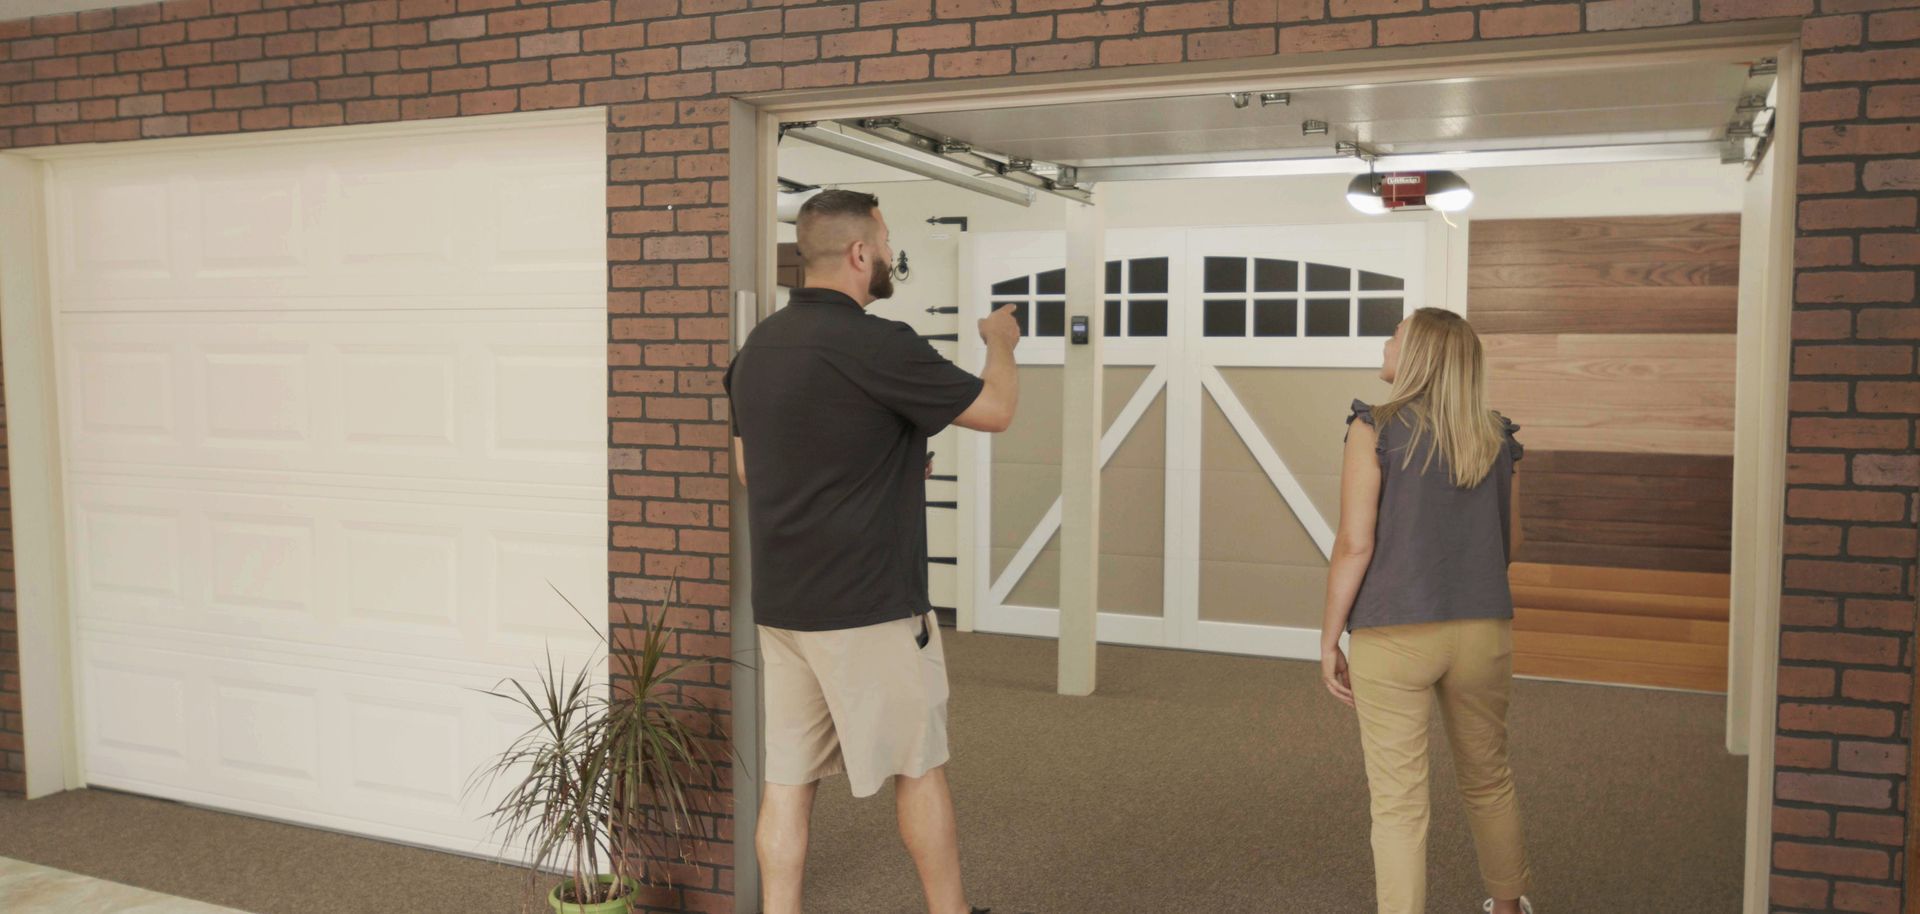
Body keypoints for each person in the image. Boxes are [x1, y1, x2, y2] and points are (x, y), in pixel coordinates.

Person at [724, 188, 1022, 914]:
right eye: (885, 243)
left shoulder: (758, 347)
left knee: (787, 781)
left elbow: (749, 469)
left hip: (787, 608)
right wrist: (1000, 345)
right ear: (860, 253)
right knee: (919, 768)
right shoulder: (878, 341)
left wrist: (878, 461)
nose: (887, 257)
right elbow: (996, 411)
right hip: (870, 606)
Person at [1317, 307, 1535, 914]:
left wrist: (1329, 637)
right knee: (1489, 778)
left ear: (1420, 357)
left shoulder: (1375, 428)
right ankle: (1510, 906)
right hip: (1484, 631)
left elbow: (1354, 543)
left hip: (1396, 633)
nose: (1387, 344)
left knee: (1399, 801)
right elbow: (1512, 541)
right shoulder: (1496, 435)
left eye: (1398, 336)